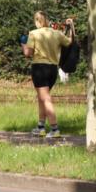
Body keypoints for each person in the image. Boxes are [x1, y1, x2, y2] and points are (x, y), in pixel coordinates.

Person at [21, 11, 74, 139]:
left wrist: (23, 44)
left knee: (46, 98)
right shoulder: (56, 34)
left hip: (39, 68)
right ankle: (41, 127)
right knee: (42, 98)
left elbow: (28, 53)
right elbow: (69, 42)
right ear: (47, 20)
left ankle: (55, 129)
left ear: (37, 21)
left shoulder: (33, 33)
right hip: (53, 70)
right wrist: (71, 26)